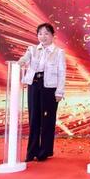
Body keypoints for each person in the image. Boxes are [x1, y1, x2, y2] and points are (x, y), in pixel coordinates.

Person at [18, 23, 66, 161]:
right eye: (40, 34)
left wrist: (59, 92)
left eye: (46, 33)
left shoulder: (59, 52)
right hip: (34, 84)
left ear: (52, 35)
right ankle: (31, 152)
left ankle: (44, 151)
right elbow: (25, 59)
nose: (43, 36)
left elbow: (62, 72)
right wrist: (20, 62)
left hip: (49, 87)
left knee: (47, 119)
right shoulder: (32, 49)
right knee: (33, 118)